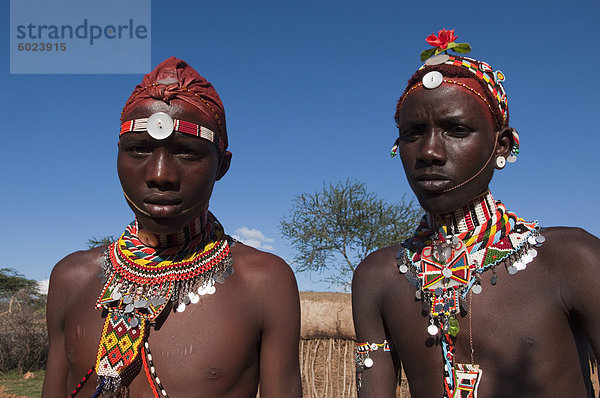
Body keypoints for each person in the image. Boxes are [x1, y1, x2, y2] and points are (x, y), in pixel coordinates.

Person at [352, 29, 600, 398]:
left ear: (502, 144)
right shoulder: (377, 277)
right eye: (413, 133)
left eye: (456, 130)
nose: (430, 152)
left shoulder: (574, 259)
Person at [42, 57, 302, 398]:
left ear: (221, 166)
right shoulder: (70, 278)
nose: (160, 174)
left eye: (187, 153)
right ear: (117, 156)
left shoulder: (264, 282)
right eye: (139, 150)